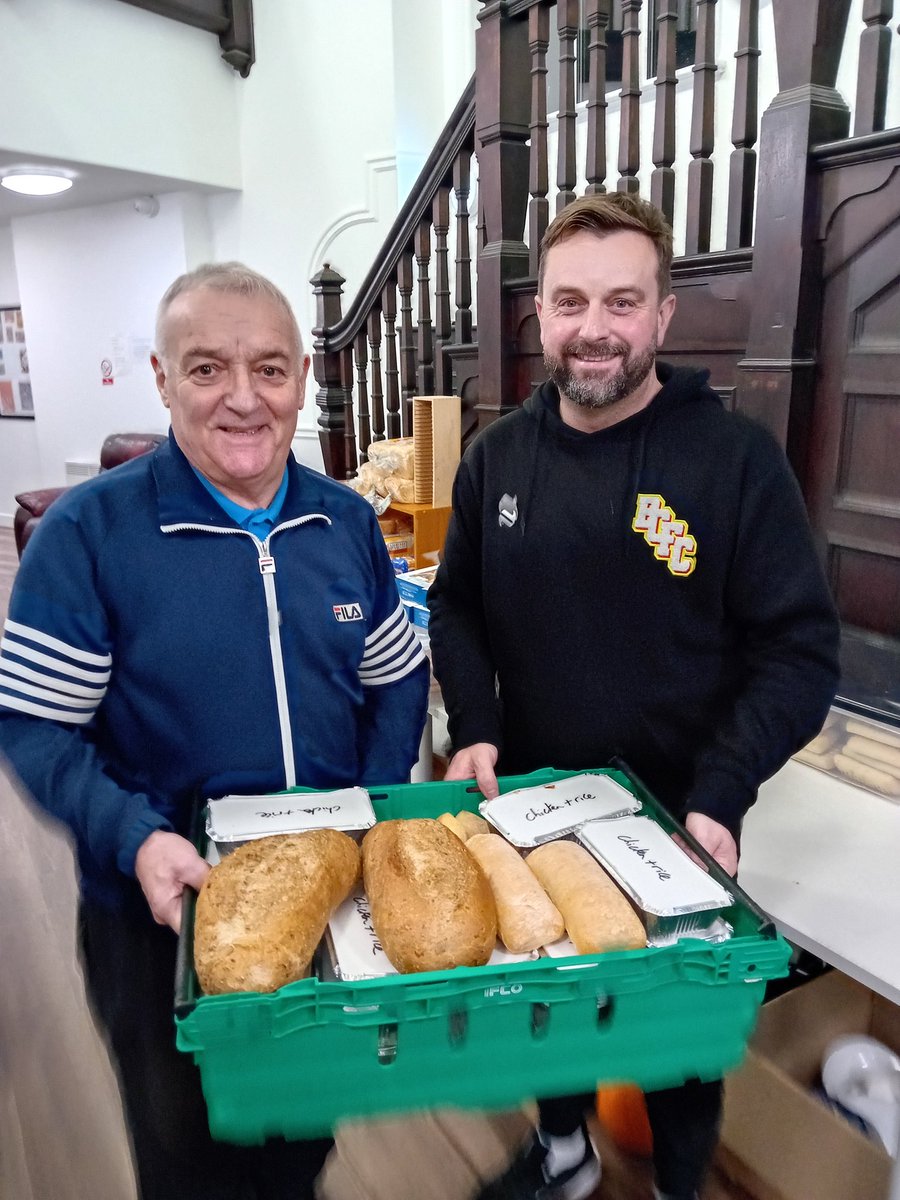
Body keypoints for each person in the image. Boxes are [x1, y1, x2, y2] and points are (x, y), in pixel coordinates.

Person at [427, 193, 841, 1200]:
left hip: (682, 817)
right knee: (549, 1000)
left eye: (623, 301)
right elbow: (456, 609)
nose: (594, 328)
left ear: (663, 315)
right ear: (540, 317)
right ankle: (562, 1154)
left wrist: (724, 787)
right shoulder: (495, 461)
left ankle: (677, 1189)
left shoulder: (734, 461)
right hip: (532, 804)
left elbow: (800, 653)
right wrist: (474, 728)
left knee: (677, 1040)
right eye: (571, 301)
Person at [0, 263, 430, 1200]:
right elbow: (35, 728)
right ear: (162, 378)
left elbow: (396, 677)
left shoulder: (349, 522)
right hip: (160, 919)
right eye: (207, 369)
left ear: (304, 378)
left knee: (304, 1133)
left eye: (270, 370)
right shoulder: (85, 537)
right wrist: (136, 837)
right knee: (189, 1153)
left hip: (321, 903)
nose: (244, 399)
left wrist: (368, 800)